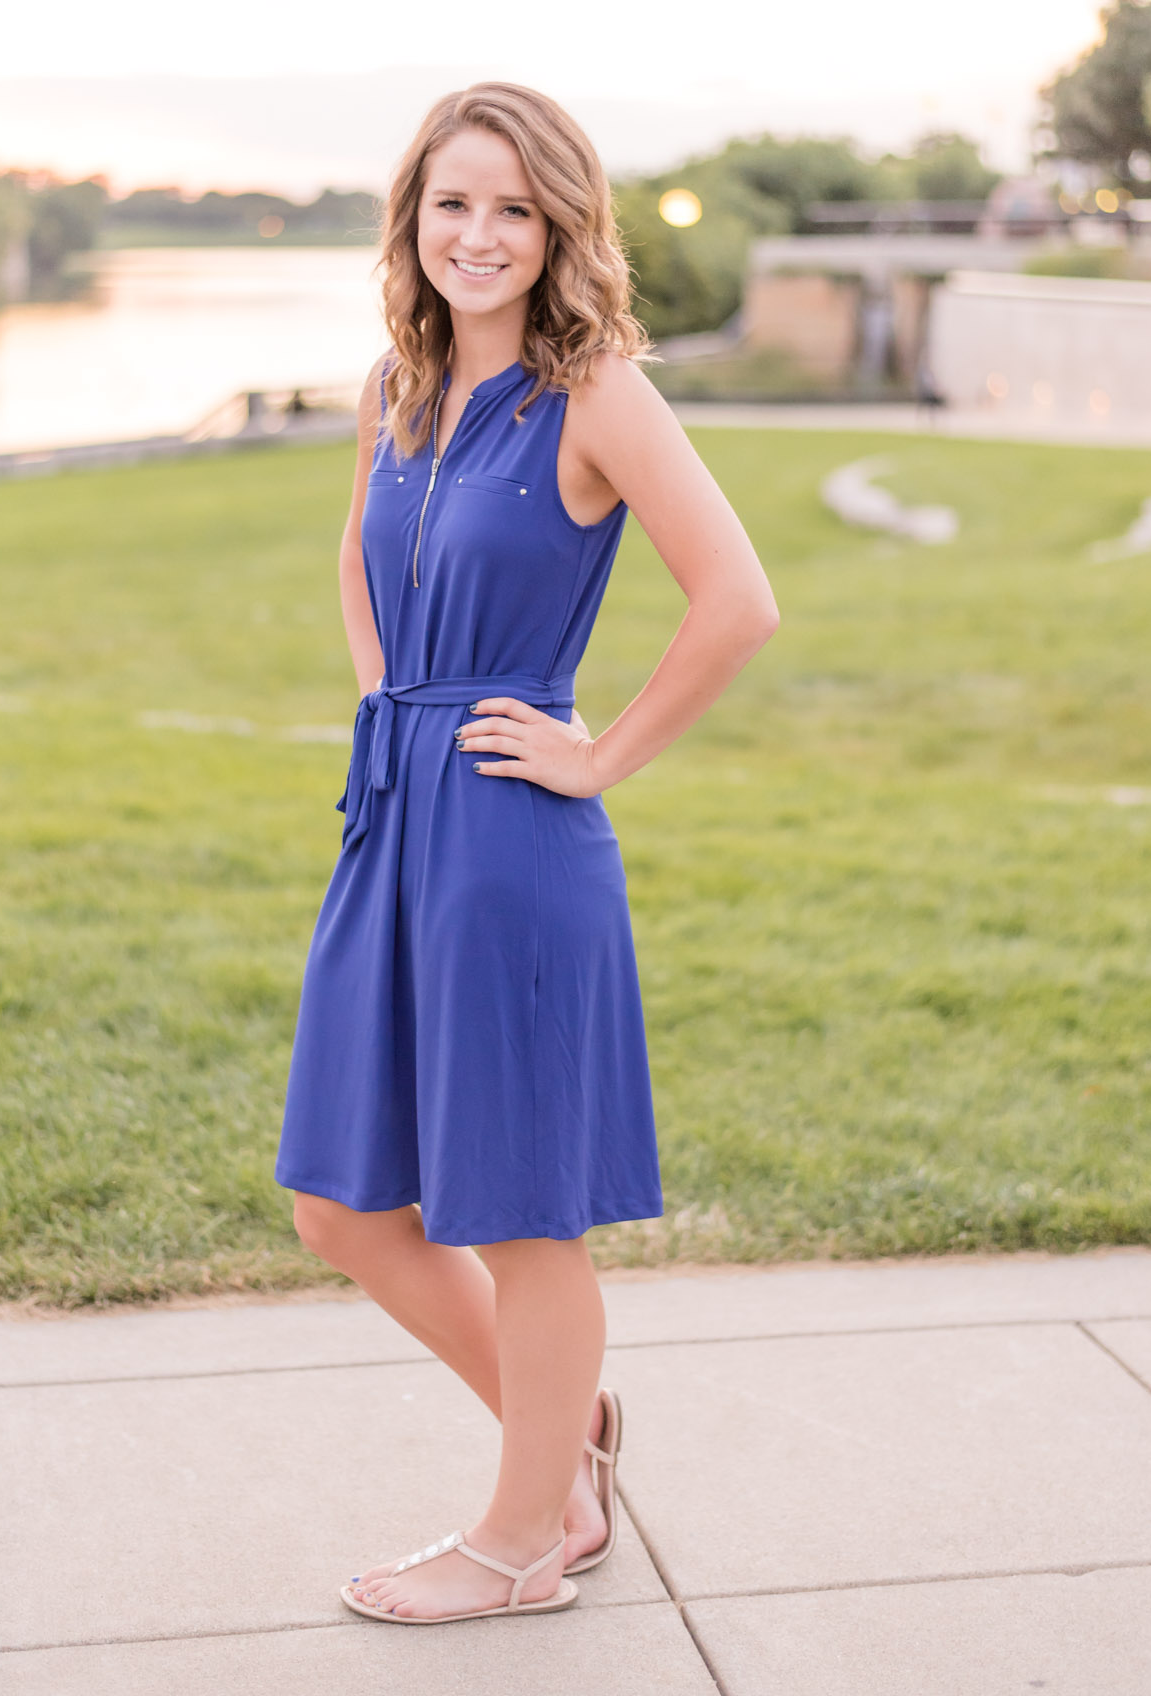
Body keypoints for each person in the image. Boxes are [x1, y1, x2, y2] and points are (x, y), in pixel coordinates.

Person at [275, 81, 779, 1626]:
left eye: (512, 208)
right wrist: (387, 699)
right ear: (411, 220)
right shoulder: (394, 386)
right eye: (451, 203)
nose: (478, 235)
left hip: (512, 836)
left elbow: (738, 602)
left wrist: (595, 751)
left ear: (558, 226)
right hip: (395, 814)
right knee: (344, 1207)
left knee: (512, 1205)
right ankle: (571, 1440)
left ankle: (519, 1541)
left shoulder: (597, 391)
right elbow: (362, 570)